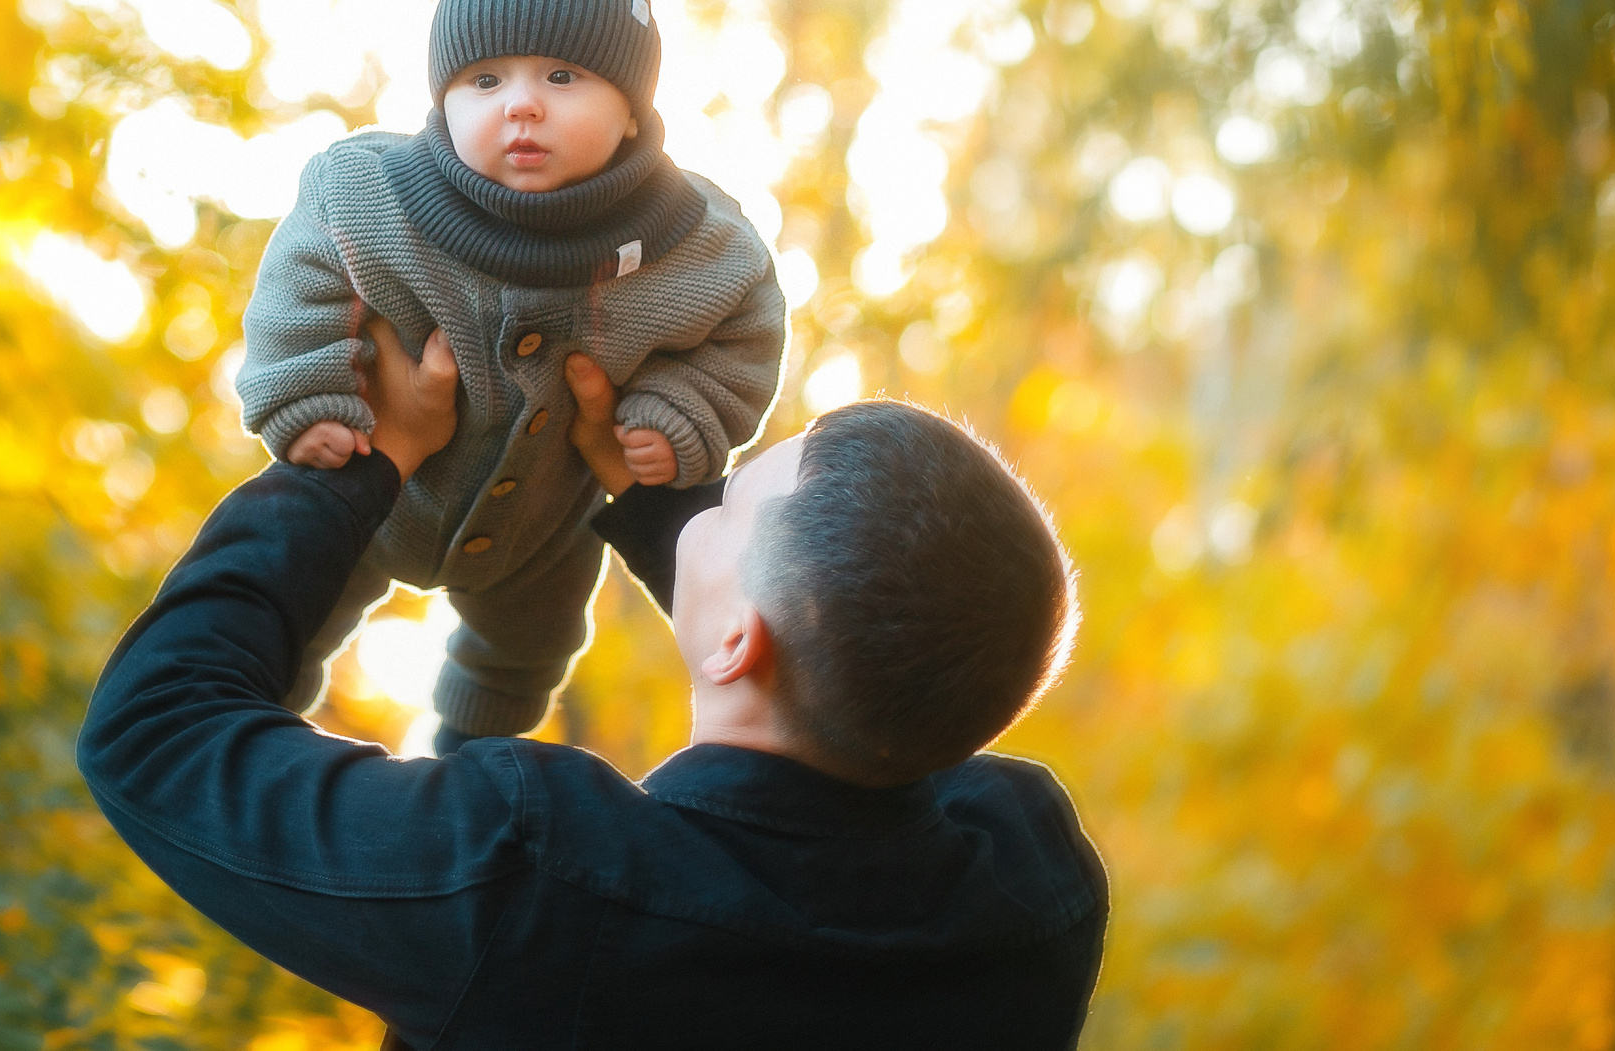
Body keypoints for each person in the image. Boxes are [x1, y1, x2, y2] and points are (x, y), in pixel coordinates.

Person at [79, 314, 1106, 1048]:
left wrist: (367, 458)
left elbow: (153, 733)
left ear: (739, 642)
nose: (696, 510)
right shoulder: (1032, 888)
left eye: (723, 504)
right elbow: (868, 659)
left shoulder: (533, 880)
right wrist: (654, 501)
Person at [234, 0, 785, 749]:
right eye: (485, 81)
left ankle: (467, 771)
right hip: (370, 483)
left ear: (633, 107)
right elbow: (303, 270)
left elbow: (746, 330)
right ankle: (249, 737)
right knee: (290, 600)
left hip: (543, 525)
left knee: (526, 651)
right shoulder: (374, 192)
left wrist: (677, 415)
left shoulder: (694, 240)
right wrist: (304, 394)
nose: (520, 106)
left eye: (562, 77)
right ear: (444, 96)